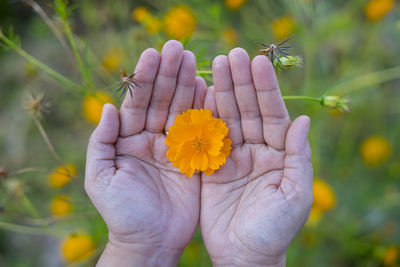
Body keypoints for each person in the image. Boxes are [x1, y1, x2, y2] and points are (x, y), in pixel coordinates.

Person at [85, 40, 313, 267]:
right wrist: (136, 244)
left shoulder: (212, 142)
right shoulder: (185, 146)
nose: (199, 143)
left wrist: (135, 248)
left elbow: (216, 143)